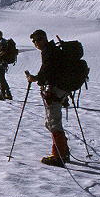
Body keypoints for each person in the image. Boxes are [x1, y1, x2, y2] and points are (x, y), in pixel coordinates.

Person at [25, 29, 70, 167]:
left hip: (55, 90)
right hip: (61, 89)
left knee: (53, 122)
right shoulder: (52, 50)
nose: (36, 43)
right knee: (52, 122)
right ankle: (63, 152)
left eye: (38, 39)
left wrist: (35, 79)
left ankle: (58, 156)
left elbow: (46, 72)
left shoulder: (49, 52)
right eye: (34, 41)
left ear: (44, 38)